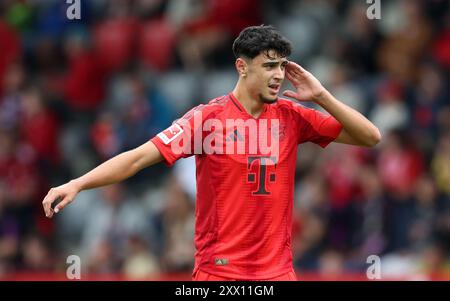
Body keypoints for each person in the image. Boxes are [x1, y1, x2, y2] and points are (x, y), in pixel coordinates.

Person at [42, 25, 381, 281]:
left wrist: (321, 94)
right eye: (269, 66)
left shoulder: (292, 117)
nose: (279, 75)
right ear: (242, 67)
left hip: (278, 273)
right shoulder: (207, 120)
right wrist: (78, 183)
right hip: (219, 275)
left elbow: (370, 137)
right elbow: (137, 158)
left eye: (282, 66)